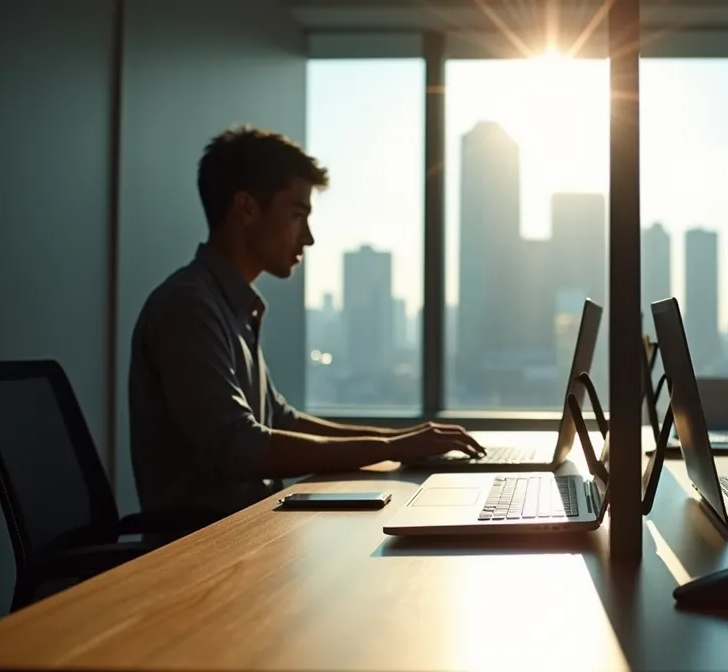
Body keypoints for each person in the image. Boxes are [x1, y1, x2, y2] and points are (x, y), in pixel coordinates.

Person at [129, 126, 483, 516]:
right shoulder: (189, 307)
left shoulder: (229, 305)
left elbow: (282, 420)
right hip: (200, 554)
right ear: (247, 208)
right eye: (297, 215)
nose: (309, 237)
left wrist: (398, 440)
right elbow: (239, 446)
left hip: (248, 536)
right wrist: (392, 448)